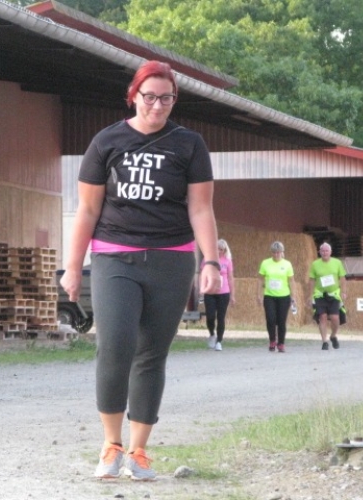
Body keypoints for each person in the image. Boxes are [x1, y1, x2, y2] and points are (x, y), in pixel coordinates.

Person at [59, 60, 221, 481]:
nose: (157, 105)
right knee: (115, 345)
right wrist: (73, 268)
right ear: (134, 96)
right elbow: (87, 210)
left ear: (174, 100)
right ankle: (111, 444)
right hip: (115, 257)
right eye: (150, 96)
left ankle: (139, 451)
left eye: (166, 98)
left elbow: (201, 208)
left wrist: (211, 261)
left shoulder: (189, 145)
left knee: (151, 353)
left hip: (171, 260)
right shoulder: (106, 141)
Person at [257, 241, 296, 353]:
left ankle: (281, 343)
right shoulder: (265, 263)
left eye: (278, 252)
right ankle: (272, 340)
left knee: (281, 321)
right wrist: (259, 294)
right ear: (271, 253)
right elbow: (260, 279)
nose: (276, 255)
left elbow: (291, 281)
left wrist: (293, 296)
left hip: (284, 296)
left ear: (282, 252)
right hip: (269, 295)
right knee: (270, 319)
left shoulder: (287, 264)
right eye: (274, 252)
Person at [307, 242, 347, 350]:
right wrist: (310, 295)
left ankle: (333, 336)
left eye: (326, 251)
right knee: (322, 317)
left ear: (330, 252)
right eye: (323, 251)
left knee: (335, 317)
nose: (325, 253)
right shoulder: (315, 264)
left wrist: (343, 291)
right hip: (320, 294)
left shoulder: (337, 263)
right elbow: (311, 280)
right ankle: (324, 341)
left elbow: (342, 278)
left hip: (333, 294)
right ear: (319, 252)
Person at [201, 238, 235, 351]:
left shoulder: (227, 261)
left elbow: (230, 278)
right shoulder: (207, 259)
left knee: (221, 317)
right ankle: (212, 333)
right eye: (217, 249)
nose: (219, 251)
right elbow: (203, 274)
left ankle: (219, 341)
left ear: (225, 250)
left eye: (221, 249)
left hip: (223, 292)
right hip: (210, 292)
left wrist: (232, 295)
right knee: (210, 316)